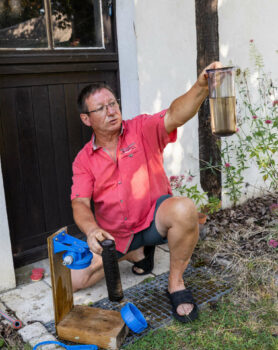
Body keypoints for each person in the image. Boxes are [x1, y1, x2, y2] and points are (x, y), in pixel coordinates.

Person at [70, 61, 222, 323]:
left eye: (113, 104)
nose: (111, 111)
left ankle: (176, 283)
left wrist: (201, 86)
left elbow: (176, 114)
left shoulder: (141, 128)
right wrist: (92, 231)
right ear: (86, 119)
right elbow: (80, 204)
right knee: (74, 280)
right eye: (101, 108)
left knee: (184, 208)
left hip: (153, 221)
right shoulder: (83, 160)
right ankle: (136, 253)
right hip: (114, 235)